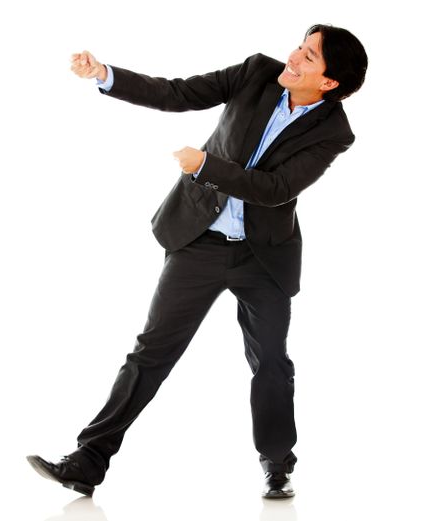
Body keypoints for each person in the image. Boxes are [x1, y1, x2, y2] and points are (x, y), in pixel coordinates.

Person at [27, 24, 367, 499]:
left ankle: (277, 461)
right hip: (198, 240)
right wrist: (105, 74)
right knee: (151, 353)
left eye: (309, 57)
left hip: (262, 257)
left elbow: (276, 190)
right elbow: (178, 93)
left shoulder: (334, 132)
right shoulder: (257, 73)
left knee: (270, 361)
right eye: (301, 45)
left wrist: (205, 166)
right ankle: (88, 459)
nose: (294, 56)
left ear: (329, 83)